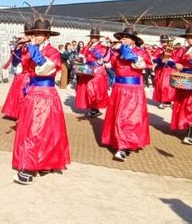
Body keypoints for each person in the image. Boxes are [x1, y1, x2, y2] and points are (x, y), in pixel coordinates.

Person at [11, 18, 70, 184]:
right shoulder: (30, 49)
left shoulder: (53, 52)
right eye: (34, 33)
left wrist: (32, 50)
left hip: (46, 95)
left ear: (46, 36)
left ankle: (30, 168)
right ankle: (37, 162)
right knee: (30, 129)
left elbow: (44, 69)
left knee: (41, 131)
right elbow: (18, 63)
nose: (36, 37)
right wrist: (19, 47)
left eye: (40, 34)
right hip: (32, 94)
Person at [101, 26, 152, 161]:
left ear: (133, 40)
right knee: (117, 116)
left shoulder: (141, 53)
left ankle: (124, 147)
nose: (123, 39)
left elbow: (140, 63)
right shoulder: (117, 53)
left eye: (126, 37)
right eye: (121, 37)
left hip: (132, 90)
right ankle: (118, 141)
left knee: (128, 117)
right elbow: (109, 64)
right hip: (118, 88)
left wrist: (126, 52)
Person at [74, 29, 110, 118]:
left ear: (98, 38)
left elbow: (101, 58)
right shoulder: (88, 46)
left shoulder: (102, 47)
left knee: (94, 90)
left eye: (94, 37)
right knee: (86, 89)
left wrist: (88, 57)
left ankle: (95, 107)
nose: (92, 38)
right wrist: (82, 58)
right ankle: (92, 107)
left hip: (97, 70)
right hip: (88, 69)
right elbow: (82, 54)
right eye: (91, 37)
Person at [1, 22, 33, 119]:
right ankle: (21, 113)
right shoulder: (21, 42)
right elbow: (16, 59)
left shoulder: (36, 43)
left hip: (32, 72)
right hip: (23, 72)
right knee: (20, 93)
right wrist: (19, 48)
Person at [151, 35, 177, 109]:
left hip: (170, 70)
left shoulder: (173, 50)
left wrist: (170, 60)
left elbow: (176, 59)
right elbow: (154, 59)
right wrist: (159, 60)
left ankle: (171, 101)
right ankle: (162, 101)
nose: (164, 43)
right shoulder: (159, 50)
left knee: (169, 86)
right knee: (160, 86)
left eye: (165, 41)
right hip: (160, 70)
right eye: (162, 41)